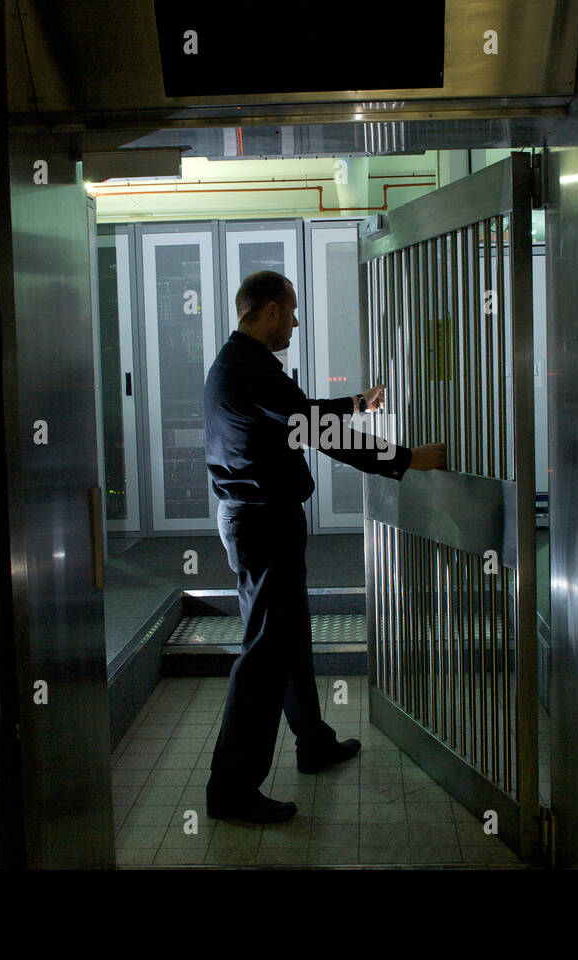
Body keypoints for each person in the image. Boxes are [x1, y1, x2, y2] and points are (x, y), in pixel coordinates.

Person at [202, 269, 446, 823]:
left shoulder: (242, 363)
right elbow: (315, 430)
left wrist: (357, 403)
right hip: (261, 525)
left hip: (260, 520)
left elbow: (300, 415)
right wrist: (405, 458)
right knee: (265, 653)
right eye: (288, 311)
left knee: (287, 639)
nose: (293, 322)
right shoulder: (249, 368)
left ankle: (312, 741)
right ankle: (231, 789)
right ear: (265, 311)